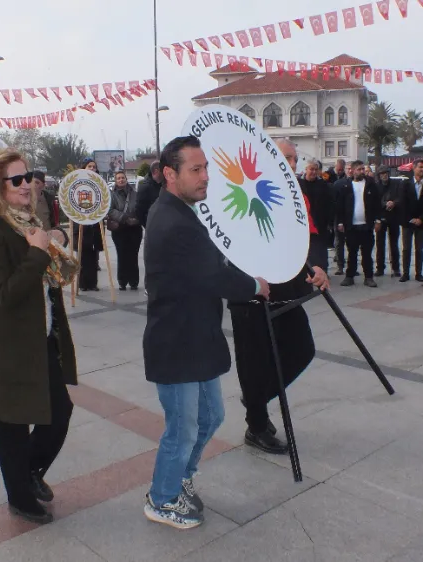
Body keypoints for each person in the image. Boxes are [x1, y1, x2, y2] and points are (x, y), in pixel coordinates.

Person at [143, 135, 268, 530]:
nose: (205, 176)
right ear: (169, 174)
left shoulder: (181, 211)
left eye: (205, 168)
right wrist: (255, 285)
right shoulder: (172, 220)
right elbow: (214, 276)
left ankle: (179, 476)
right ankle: (161, 498)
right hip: (176, 343)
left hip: (196, 338)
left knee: (211, 415)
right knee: (182, 429)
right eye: (196, 169)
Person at [0, 148, 80, 525]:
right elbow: (5, 294)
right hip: (5, 347)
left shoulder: (26, 221)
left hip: (38, 339)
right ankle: (19, 496)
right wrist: (37, 252)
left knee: (59, 412)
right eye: (16, 179)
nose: (26, 184)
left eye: (28, 176)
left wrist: (52, 243)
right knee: (10, 424)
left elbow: (43, 276)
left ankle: (28, 472)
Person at [229, 143, 329, 456]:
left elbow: (310, 234)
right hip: (251, 292)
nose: (293, 163)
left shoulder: (297, 193)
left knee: (302, 349)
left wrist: (318, 264)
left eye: (295, 158)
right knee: (253, 361)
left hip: (288, 291)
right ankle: (257, 425)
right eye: (286, 157)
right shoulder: (243, 188)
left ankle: (257, 399)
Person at [334, 161, 382, 287]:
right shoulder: (346, 185)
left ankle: (369, 277)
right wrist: (340, 222)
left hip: (367, 225)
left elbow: (377, 203)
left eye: (363, 169)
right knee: (352, 252)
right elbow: (340, 205)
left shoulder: (371, 184)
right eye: (359, 169)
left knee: (367, 253)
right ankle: (349, 276)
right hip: (351, 225)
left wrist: (378, 220)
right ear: (353, 171)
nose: (362, 171)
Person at [107, 170, 143, 290]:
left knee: (133, 255)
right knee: (122, 255)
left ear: (126, 179)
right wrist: (124, 218)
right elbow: (110, 210)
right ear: (115, 181)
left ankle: (134, 281)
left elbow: (140, 208)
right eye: (118, 178)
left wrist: (136, 219)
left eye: (123, 177)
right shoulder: (111, 195)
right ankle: (122, 281)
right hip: (119, 229)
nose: (121, 180)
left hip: (134, 229)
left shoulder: (135, 194)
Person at [298, 158, 335, 271]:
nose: (314, 172)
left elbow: (330, 204)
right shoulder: (298, 184)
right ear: (306, 169)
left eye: (316, 169)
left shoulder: (323, 185)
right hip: (303, 224)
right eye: (311, 169)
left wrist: (329, 222)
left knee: (320, 252)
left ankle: (322, 272)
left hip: (320, 224)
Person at [400, 160, 423, 282]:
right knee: (406, 249)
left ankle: (418, 273)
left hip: (421, 222)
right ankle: (405, 273)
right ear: (414, 168)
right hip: (407, 222)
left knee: (419, 249)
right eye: (421, 167)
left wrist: (422, 218)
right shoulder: (405, 184)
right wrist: (411, 218)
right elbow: (402, 203)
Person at [73, 158, 104, 291]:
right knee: (83, 256)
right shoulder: (77, 183)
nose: (92, 169)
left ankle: (93, 283)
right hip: (81, 223)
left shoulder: (100, 184)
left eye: (94, 167)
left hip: (95, 225)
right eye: (89, 166)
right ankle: (83, 283)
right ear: (84, 168)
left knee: (93, 257)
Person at [376, 168, 403, 278]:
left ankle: (395, 268)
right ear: (379, 175)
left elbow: (401, 197)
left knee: (394, 244)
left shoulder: (396, 183)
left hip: (394, 217)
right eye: (382, 174)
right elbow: (374, 201)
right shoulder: (376, 185)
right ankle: (380, 268)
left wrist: (394, 203)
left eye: (386, 173)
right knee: (380, 244)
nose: (384, 175)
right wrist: (384, 204)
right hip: (381, 216)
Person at [136, 161, 164, 227]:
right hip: (154, 227)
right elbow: (139, 211)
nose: (165, 173)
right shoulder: (145, 187)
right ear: (156, 171)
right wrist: (149, 226)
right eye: (163, 171)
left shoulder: (163, 184)